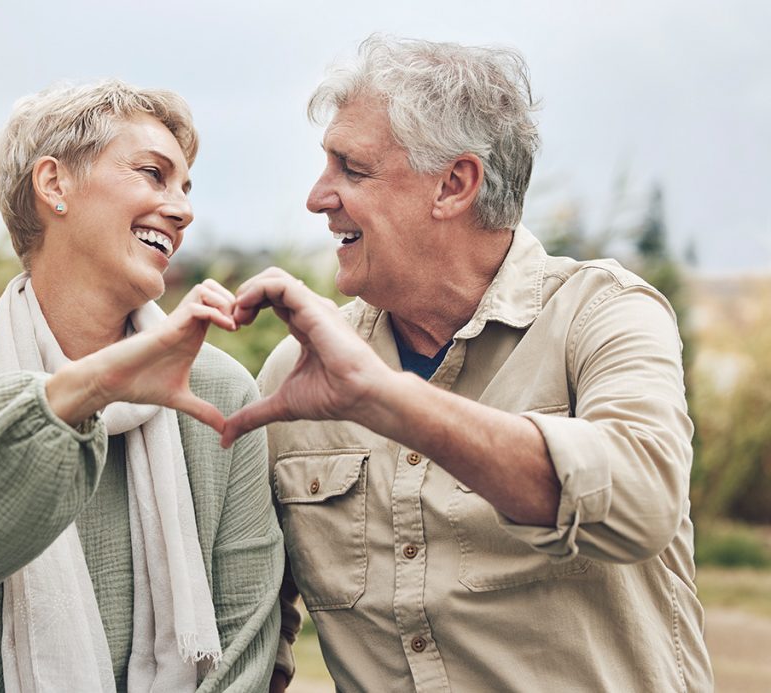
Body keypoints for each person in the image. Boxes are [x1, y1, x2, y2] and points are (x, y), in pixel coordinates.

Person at [220, 36, 713, 691]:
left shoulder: (604, 313)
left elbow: (641, 500)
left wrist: (385, 400)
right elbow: (259, 646)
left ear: (454, 184)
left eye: (352, 169)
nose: (317, 197)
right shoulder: (295, 370)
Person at [0, 80, 282, 692]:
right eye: (153, 174)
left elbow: (246, 648)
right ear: (53, 186)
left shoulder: (220, 388)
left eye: (185, 188)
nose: (182, 209)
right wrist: (88, 387)